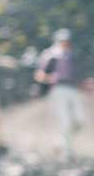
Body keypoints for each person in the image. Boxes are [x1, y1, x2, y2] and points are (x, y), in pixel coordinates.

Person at [35, 27, 89, 155]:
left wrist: (84, 85)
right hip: (58, 89)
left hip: (72, 88)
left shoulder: (72, 56)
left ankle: (61, 143)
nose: (66, 43)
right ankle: (68, 151)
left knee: (80, 120)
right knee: (65, 120)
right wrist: (50, 78)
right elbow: (39, 75)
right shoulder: (51, 55)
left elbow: (76, 75)